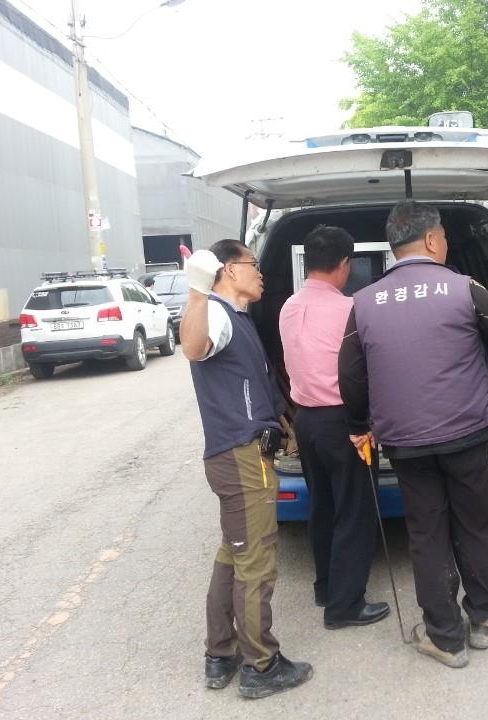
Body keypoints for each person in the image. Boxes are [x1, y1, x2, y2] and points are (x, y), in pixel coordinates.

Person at [338, 201, 488, 668]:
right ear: (432, 239)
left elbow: (349, 375)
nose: (447, 244)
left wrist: (358, 426)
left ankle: (445, 637)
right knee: (476, 523)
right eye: (446, 237)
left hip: (405, 443)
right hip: (466, 435)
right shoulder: (464, 288)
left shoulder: (364, 302)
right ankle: (484, 618)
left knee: (426, 532)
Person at [179, 239, 313, 700]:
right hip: (242, 457)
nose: (261, 274)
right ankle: (262, 665)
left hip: (237, 454)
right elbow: (193, 346)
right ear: (229, 270)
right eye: (253, 265)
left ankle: (220, 653)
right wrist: (197, 290)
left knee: (233, 553)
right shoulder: (215, 313)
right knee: (256, 559)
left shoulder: (237, 318)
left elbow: (255, 386)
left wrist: (285, 425)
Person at [278, 225, 389, 630]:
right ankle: (345, 606)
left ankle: (326, 587)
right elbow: (366, 370)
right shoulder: (351, 309)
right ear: (345, 264)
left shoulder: (288, 307)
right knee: (355, 511)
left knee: (322, 506)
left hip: (306, 422)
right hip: (345, 423)